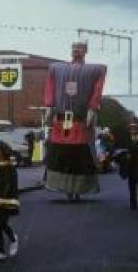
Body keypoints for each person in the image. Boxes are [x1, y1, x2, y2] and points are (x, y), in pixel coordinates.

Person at [43, 40, 107, 201]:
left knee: (79, 154)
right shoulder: (56, 69)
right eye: (73, 47)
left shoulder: (95, 70)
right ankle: (65, 189)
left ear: (85, 50)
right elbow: (50, 88)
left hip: (80, 121)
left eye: (79, 48)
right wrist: (49, 107)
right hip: (62, 120)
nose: (75, 50)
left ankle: (78, 189)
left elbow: (97, 90)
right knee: (62, 154)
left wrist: (92, 107)